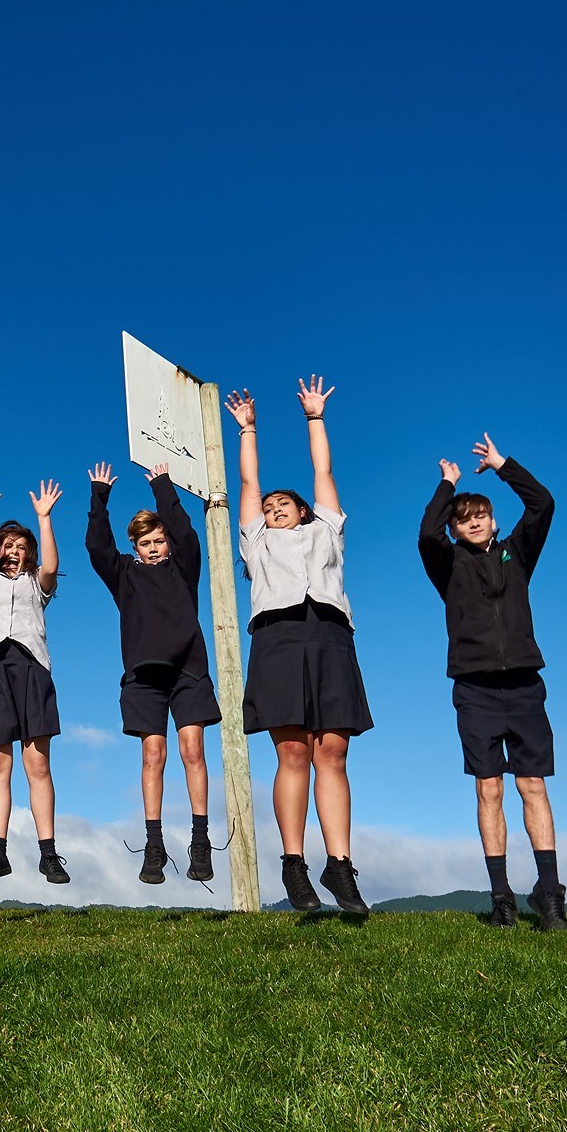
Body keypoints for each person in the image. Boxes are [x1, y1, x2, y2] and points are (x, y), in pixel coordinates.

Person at [225, 376, 374, 917]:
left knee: (332, 752)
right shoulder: (257, 543)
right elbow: (247, 481)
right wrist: (248, 430)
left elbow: (324, 473)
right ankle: (294, 864)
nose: (274, 507)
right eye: (268, 506)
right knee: (292, 751)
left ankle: (340, 865)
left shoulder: (327, 532)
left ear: (304, 511)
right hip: (279, 637)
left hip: (331, 635)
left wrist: (315, 418)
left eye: (283, 502)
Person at [417, 434, 566, 930]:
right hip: (474, 691)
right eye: (463, 518)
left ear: (494, 520)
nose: (473, 520)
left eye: (481, 513)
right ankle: (501, 898)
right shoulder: (448, 564)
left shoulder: (518, 554)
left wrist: (503, 465)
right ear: (456, 530)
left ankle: (550, 897)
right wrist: (448, 484)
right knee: (489, 791)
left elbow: (542, 502)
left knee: (532, 786)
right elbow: (425, 534)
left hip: (525, 686)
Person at [86, 461, 220, 885]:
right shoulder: (124, 576)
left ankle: (201, 843)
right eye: (147, 543)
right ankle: (154, 845)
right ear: (136, 547)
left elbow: (187, 534)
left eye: (160, 541)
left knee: (192, 750)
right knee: (153, 755)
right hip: (144, 676)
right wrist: (99, 499)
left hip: (188, 671)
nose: (156, 548)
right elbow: (97, 549)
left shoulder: (184, 569)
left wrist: (163, 487)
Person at [0, 478, 66, 886]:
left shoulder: (37, 585)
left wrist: (44, 519)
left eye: (22, 548)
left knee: (37, 764)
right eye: (8, 547)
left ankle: (49, 854)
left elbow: (51, 567)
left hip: (32, 670)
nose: (14, 553)